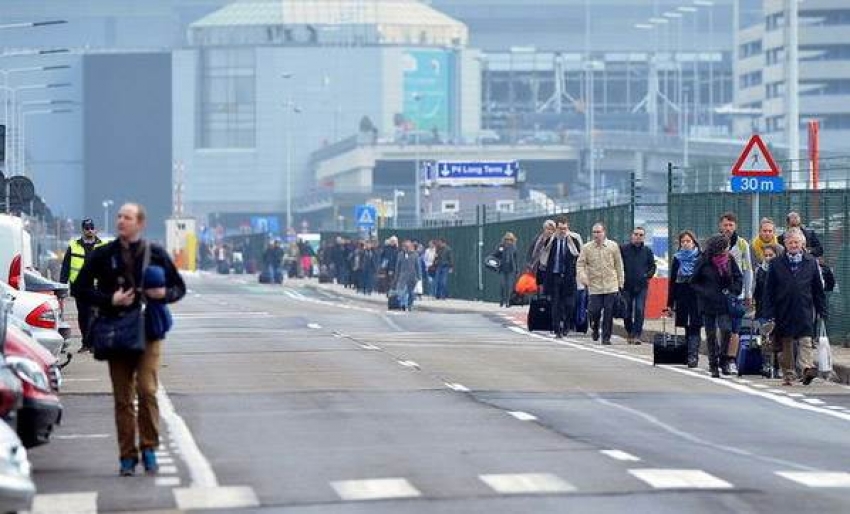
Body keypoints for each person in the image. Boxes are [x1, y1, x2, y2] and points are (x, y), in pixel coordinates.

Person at [71, 203, 186, 476]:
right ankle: (126, 455)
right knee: (123, 397)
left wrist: (162, 295)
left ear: (140, 223)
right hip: (116, 329)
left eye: (128, 217)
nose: (121, 220)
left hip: (148, 330)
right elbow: (80, 288)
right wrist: (109, 299)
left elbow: (178, 286)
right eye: (120, 216)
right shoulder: (103, 254)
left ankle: (148, 447)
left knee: (146, 390)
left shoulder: (154, 253)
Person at [764, 228, 827, 386]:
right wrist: (768, 311)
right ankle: (789, 374)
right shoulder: (776, 264)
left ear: (802, 244)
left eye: (796, 242)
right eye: (790, 242)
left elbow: (817, 289)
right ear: (785, 244)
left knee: (805, 339)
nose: (793, 245)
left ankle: (806, 369)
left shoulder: (810, 262)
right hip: (783, 308)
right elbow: (769, 289)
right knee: (787, 342)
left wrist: (822, 309)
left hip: (804, 308)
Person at [690, 234, 743, 378]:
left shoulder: (729, 260)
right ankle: (713, 364)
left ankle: (724, 359)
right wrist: (705, 292)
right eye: (725, 247)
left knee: (726, 330)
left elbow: (738, 277)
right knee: (711, 334)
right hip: (708, 303)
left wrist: (734, 290)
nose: (727, 250)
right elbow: (693, 281)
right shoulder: (703, 261)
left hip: (724, 301)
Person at [60, 218, 108, 353]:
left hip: (96, 287)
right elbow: (66, 267)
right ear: (82, 230)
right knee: (83, 316)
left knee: (94, 314)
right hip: (79, 287)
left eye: (92, 228)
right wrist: (62, 286)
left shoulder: (102, 245)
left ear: (95, 229)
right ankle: (86, 343)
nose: (90, 230)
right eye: (87, 228)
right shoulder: (73, 245)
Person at [576, 222, 624, 345]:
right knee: (594, 311)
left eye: (599, 232)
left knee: (608, 312)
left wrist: (620, 282)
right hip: (595, 285)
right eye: (594, 232)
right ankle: (595, 327)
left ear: (604, 232)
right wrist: (583, 277)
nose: (596, 235)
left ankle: (606, 337)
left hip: (610, 285)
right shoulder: (587, 248)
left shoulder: (613, 246)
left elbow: (619, 265)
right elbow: (580, 264)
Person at [718, 212, 753, 373]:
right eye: (725, 225)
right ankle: (720, 355)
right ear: (720, 226)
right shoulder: (714, 243)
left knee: (735, 328)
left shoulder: (742, 244)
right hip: (718, 294)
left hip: (736, 293)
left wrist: (748, 293)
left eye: (731, 225)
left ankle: (731, 359)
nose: (728, 228)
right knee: (723, 327)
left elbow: (748, 269)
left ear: (735, 226)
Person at [664, 230, 703, 368]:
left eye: (688, 241)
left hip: (697, 297)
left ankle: (693, 355)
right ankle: (688, 353)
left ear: (694, 242)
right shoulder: (677, 258)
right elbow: (673, 282)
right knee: (686, 326)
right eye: (683, 241)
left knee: (695, 326)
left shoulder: (700, 257)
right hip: (682, 296)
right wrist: (669, 303)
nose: (686, 244)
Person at [545, 217, 581, 338]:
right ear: (556, 228)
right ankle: (557, 329)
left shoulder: (573, 241)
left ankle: (566, 325)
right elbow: (544, 258)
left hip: (569, 277)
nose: (563, 231)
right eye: (560, 228)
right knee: (556, 304)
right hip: (555, 277)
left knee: (569, 304)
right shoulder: (551, 241)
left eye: (565, 228)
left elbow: (579, 257)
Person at [620, 226, 656, 344]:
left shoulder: (647, 251)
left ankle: (637, 335)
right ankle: (630, 331)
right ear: (631, 235)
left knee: (639, 309)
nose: (638, 237)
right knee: (627, 310)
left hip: (641, 286)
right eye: (636, 234)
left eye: (640, 235)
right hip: (626, 285)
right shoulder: (623, 249)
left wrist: (647, 275)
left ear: (644, 237)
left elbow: (652, 266)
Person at [753, 243, 782, 378]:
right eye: (766, 255)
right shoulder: (760, 271)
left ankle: (778, 366)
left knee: (778, 338)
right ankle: (766, 364)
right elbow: (756, 292)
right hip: (763, 309)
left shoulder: (782, 270)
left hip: (779, 310)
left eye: (771, 255)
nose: (768, 258)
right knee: (765, 338)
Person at [394, 240, 421, 311]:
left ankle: (410, 305)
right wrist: (396, 276)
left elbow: (418, 266)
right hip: (402, 276)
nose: (406, 248)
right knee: (402, 292)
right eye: (405, 247)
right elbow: (398, 266)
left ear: (411, 247)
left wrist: (419, 277)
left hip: (412, 277)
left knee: (411, 293)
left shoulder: (415, 255)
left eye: (408, 246)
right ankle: (403, 304)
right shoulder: (400, 254)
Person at [527, 220, 556, 286]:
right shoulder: (537, 238)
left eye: (552, 230)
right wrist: (529, 263)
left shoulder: (555, 240)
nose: (550, 231)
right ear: (544, 229)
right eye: (548, 229)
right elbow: (530, 251)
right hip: (536, 266)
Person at [496, 232, 519, 307]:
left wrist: (517, 269)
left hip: (511, 269)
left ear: (512, 240)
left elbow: (516, 259)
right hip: (502, 268)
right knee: (502, 285)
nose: (508, 241)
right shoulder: (500, 246)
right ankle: (501, 299)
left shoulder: (514, 247)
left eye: (510, 239)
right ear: (504, 239)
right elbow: (496, 255)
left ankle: (508, 301)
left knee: (509, 286)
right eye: (507, 239)